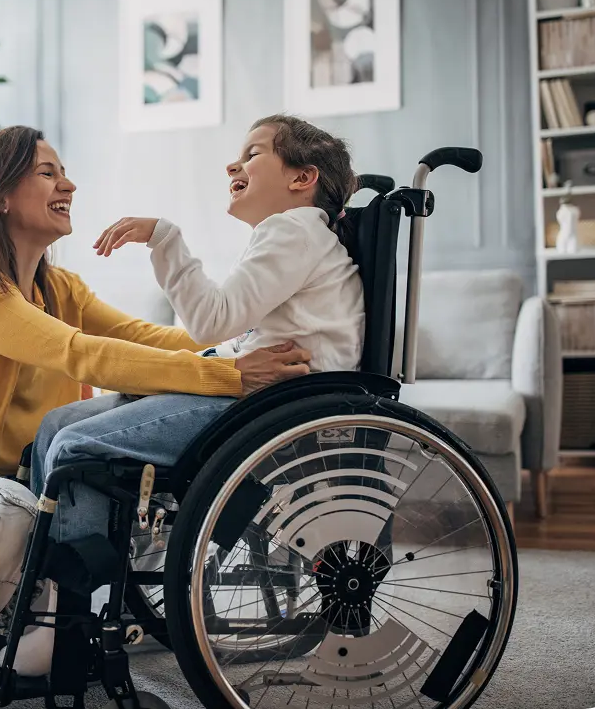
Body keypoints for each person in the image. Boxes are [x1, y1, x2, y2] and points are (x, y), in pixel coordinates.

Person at [0, 125, 312, 709]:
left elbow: (151, 339)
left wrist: (243, 352)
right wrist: (231, 376)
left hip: (35, 489)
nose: (69, 184)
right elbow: (78, 353)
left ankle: (53, 633)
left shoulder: (59, 286)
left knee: (129, 502)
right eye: (48, 173)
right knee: (5, 510)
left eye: (64, 172)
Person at [28, 113, 365, 551]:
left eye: (253, 154)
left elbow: (211, 321)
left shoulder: (292, 229)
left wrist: (165, 240)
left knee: (75, 444)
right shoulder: (299, 236)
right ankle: (48, 567)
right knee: (58, 424)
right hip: (259, 397)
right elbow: (228, 333)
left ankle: (77, 594)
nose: (233, 166)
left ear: (302, 177)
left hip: (269, 407)